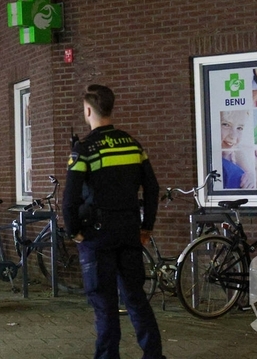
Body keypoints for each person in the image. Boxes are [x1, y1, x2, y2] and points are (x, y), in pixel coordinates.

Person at [63, 84, 165, 359]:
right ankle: (154, 354)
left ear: (88, 111)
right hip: (129, 232)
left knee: (104, 304)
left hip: (97, 236)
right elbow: (152, 188)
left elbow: (70, 198)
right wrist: (147, 227)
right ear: (111, 108)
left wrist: (75, 232)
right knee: (136, 297)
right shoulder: (133, 145)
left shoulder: (84, 150)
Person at [220, 110, 255, 189]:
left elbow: (249, 173)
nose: (233, 136)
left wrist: (251, 178)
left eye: (239, 128)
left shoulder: (238, 153)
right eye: (226, 125)